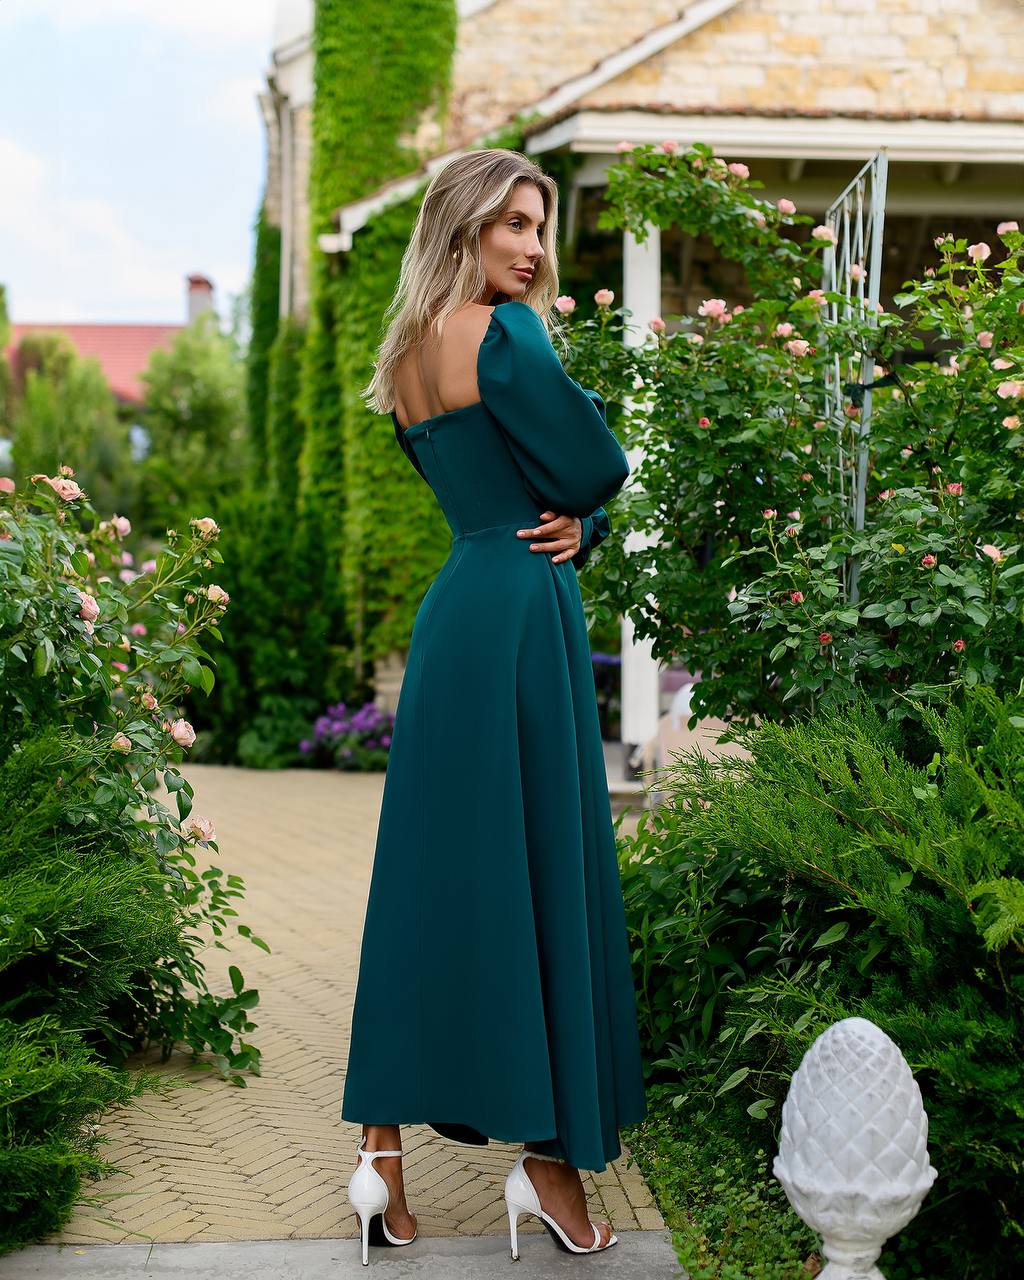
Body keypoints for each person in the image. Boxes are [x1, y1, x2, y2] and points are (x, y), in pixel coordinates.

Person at [341, 147, 647, 1266]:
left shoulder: (404, 357)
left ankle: (380, 1159)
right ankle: (550, 1164)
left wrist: (574, 514)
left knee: (428, 880)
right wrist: (592, 523)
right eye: (513, 223)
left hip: (456, 612)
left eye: (538, 227)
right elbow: (593, 466)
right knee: (538, 874)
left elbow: (489, 490)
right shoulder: (508, 336)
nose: (530, 247)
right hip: (523, 614)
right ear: (464, 226)